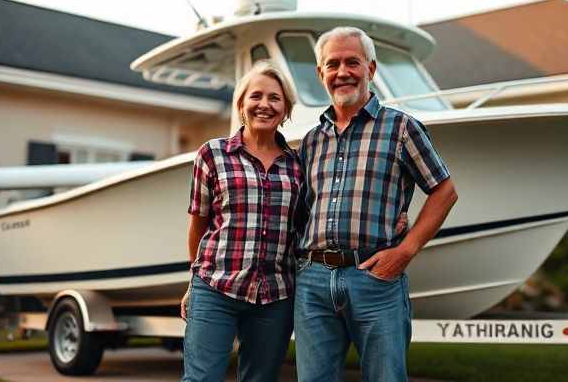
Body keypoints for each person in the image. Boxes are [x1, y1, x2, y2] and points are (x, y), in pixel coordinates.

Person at [294, 26, 458, 381]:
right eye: (332, 64)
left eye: (352, 62)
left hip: (375, 279)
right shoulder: (311, 141)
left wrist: (407, 250)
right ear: (321, 73)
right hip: (314, 282)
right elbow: (304, 209)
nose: (342, 72)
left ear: (370, 69)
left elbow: (444, 191)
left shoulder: (401, 128)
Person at [181, 61, 302, 382]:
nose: (265, 105)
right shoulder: (212, 154)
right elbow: (198, 224)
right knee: (201, 378)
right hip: (215, 288)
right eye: (256, 96)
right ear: (241, 104)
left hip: (275, 295)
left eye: (275, 98)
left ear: (286, 109)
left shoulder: (298, 164)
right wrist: (194, 281)